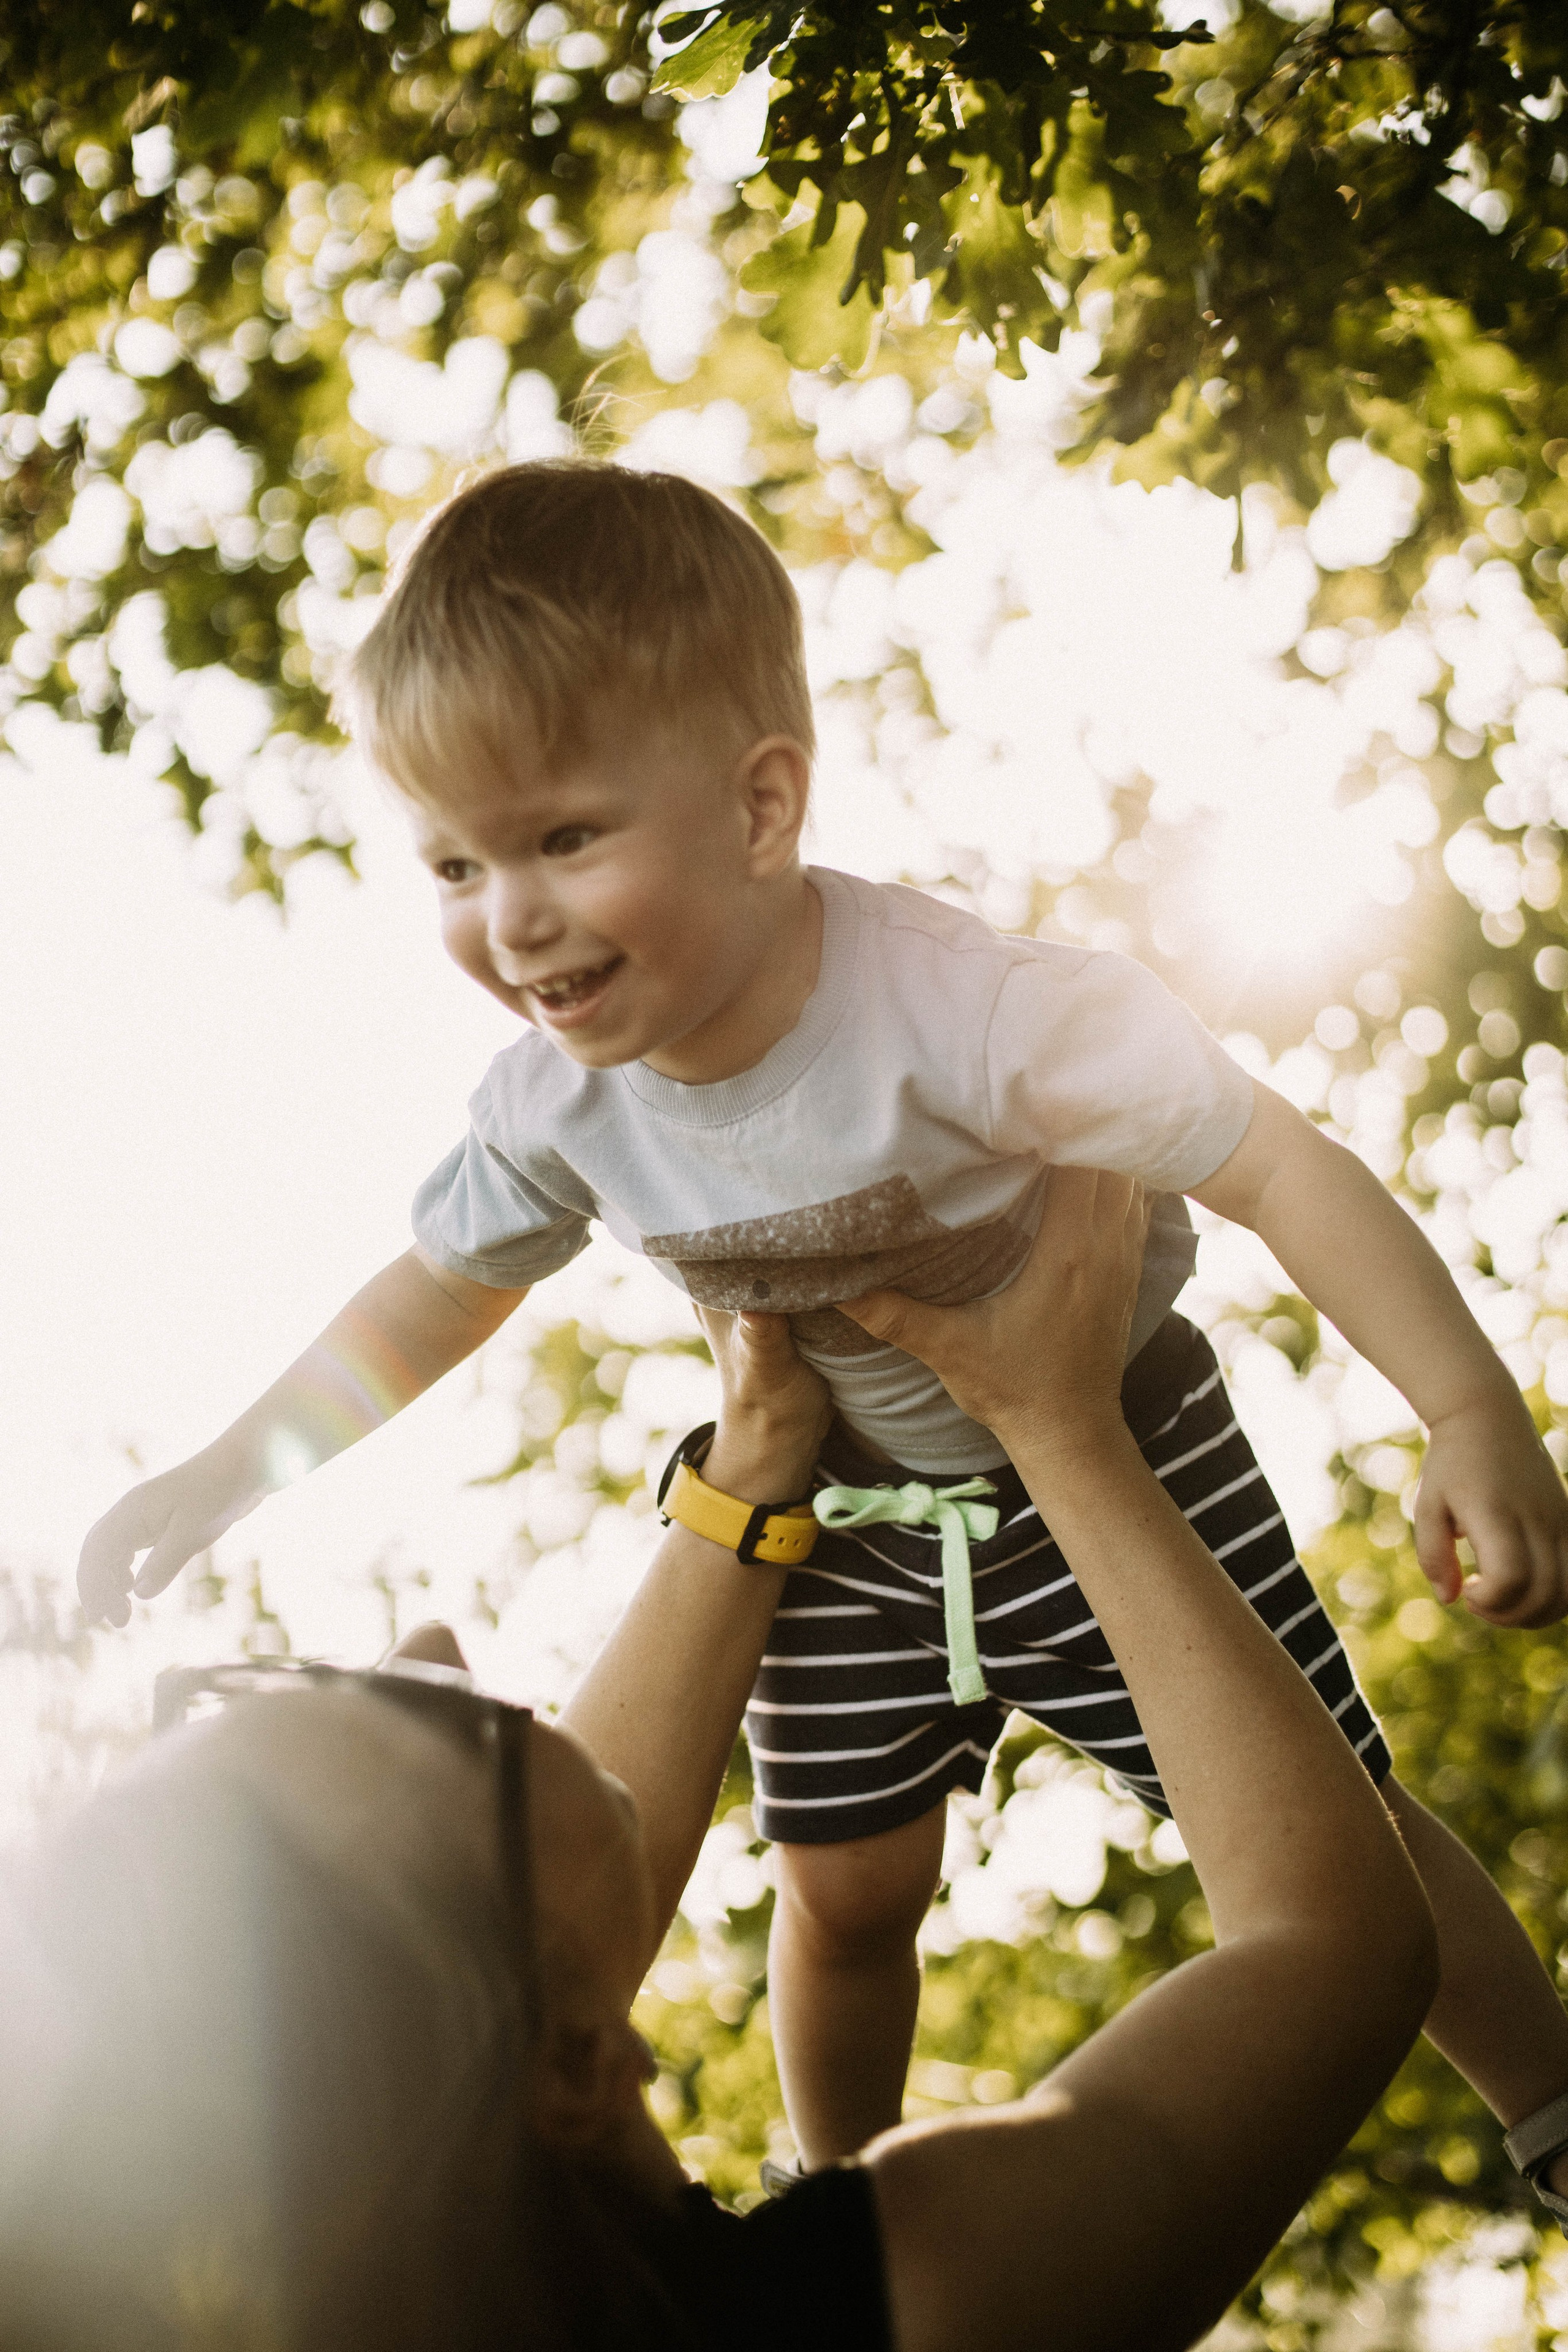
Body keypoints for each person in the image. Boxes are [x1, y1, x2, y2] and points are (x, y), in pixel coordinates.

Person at [75, 461, 1568, 2210]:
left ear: (764, 803)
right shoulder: (554, 1107)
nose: (512, 917)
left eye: (562, 837)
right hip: (848, 1527)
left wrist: (1469, 1411)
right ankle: (843, 2208)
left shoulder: (968, 1017)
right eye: (457, 863)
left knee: (1337, 1821)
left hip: (1117, 1455)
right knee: (845, 1893)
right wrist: (227, 1473)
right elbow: (434, 1296)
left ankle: (1546, 2098)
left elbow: (1278, 1168)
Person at [7, 1173, 1440, 2351]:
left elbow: (559, 1908)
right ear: (570, 2066)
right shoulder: (901, 2305)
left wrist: (755, 1458)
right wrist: (1056, 1425)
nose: (438, 1641)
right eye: (428, 1720)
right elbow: (1338, 1947)